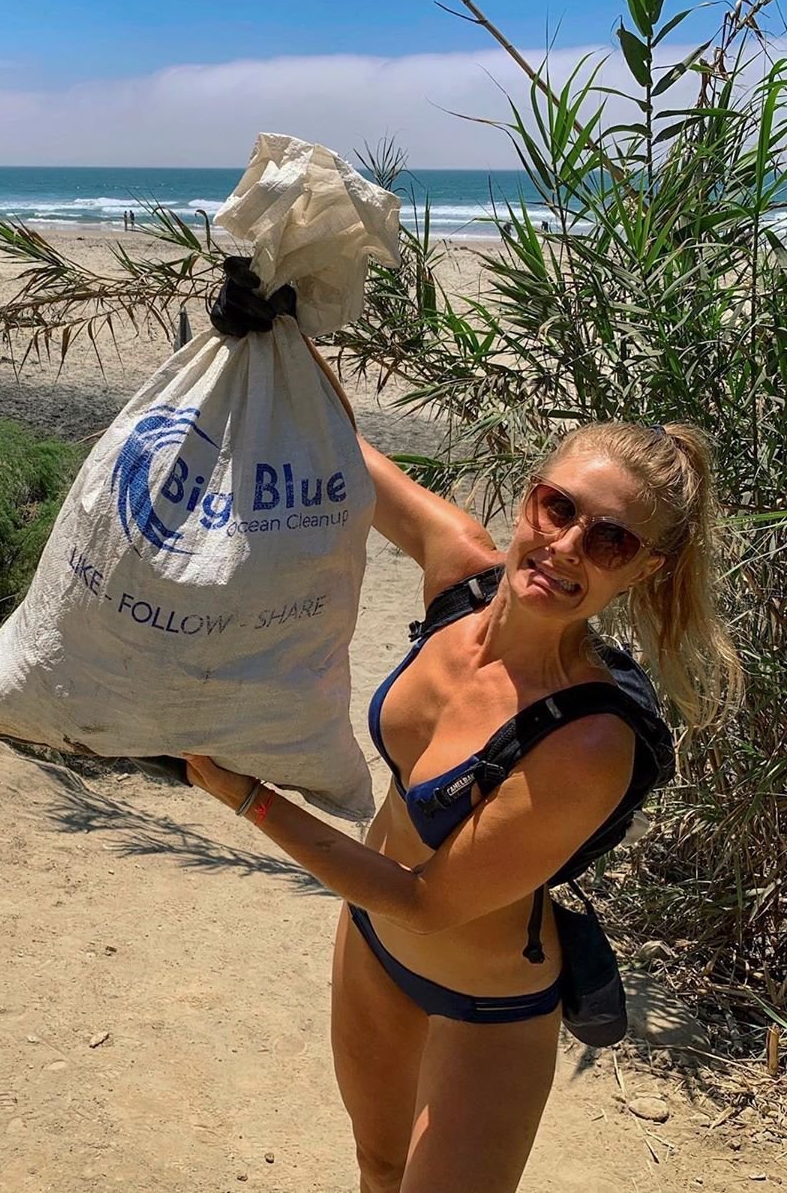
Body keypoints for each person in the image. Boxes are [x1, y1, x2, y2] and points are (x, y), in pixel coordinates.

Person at [184, 343, 739, 1192]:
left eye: (610, 539)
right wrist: (272, 334)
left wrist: (249, 799)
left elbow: (427, 901)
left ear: (644, 569)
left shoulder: (591, 741)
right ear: (529, 497)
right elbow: (334, 442)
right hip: (372, 940)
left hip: (488, 1000)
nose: (566, 546)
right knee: (377, 1169)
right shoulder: (461, 575)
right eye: (558, 507)